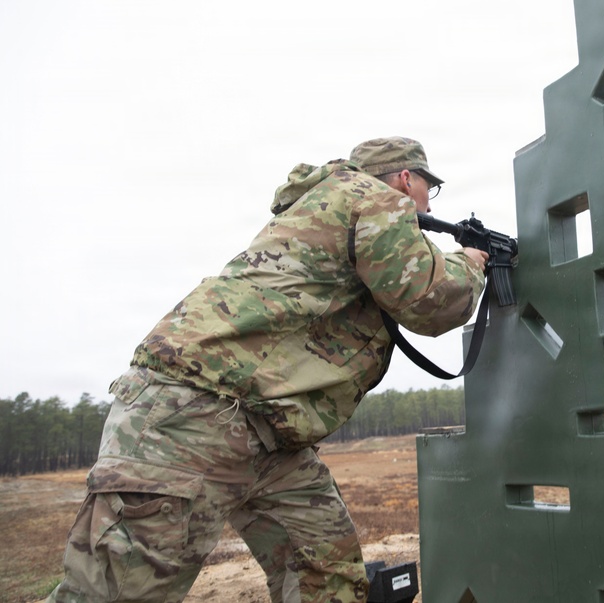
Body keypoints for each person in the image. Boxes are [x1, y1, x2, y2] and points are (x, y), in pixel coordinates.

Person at [48, 137, 488, 603]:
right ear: (406, 179)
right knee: (114, 594)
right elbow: (427, 299)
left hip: (269, 438)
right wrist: (472, 263)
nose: (425, 201)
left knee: (327, 573)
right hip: (192, 418)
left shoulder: (327, 208)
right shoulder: (373, 198)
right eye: (427, 187)